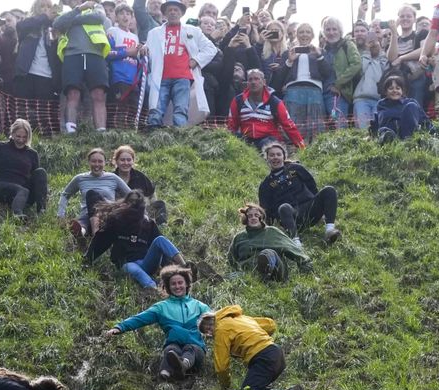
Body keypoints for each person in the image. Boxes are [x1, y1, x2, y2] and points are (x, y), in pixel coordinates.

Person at [104, 265, 210, 380]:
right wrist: (120, 327)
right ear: (168, 287)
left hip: (195, 352)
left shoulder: (199, 306)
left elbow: (215, 320)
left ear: (187, 284)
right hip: (174, 346)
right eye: (173, 284)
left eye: (180, 283)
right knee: (171, 350)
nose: (177, 286)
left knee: (190, 348)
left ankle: (182, 366)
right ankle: (166, 373)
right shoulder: (161, 307)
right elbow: (139, 318)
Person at [197, 306, 305, 390]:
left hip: (263, 358)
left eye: (209, 326)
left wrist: (225, 387)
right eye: (206, 331)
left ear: (213, 319)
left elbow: (221, 367)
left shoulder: (220, 330)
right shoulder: (240, 318)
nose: (210, 330)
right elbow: (270, 324)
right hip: (276, 352)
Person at [84, 190, 186, 288]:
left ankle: (185, 267)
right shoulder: (116, 221)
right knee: (132, 268)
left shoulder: (148, 224)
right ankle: (153, 287)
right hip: (126, 264)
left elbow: (161, 247)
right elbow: (101, 240)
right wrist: (88, 259)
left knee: (160, 239)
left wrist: (167, 266)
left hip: (146, 262)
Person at [144, 0, 218, 128]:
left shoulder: (193, 31)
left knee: (181, 109)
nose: (173, 12)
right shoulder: (154, 33)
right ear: (165, 14)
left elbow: (211, 49)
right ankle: (153, 135)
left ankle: (180, 137)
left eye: (176, 10)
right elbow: (148, 50)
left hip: (183, 77)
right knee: (156, 108)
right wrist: (143, 49)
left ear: (182, 13)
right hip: (160, 78)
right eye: (170, 10)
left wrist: (197, 60)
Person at [258, 142, 342, 245]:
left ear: (284, 156)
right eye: (272, 155)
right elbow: (266, 210)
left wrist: (319, 206)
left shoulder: (295, 169)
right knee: (284, 207)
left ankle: (329, 230)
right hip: (291, 217)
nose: (275, 157)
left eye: (278, 154)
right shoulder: (266, 184)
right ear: (267, 158)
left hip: (309, 210)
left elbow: (312, 186)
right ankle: (296, 242)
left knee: (329, 190)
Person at [53, 0, 113, 133]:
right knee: (72, 94)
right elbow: (57, 23)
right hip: (72, 55)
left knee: (99, 94)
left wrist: (72, 20)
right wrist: (78, 10)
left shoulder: (96, 7)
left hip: (96, 54)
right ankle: (70, 132)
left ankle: (101, 133)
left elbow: (98, 18)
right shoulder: (63, 11)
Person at [58, 148, 133, 240]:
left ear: (105, 163)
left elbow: (131, 195)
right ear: (88, 162)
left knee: (92, 195)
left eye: (100, 161)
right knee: (83, 222)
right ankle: (81, 233)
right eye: (93, 161)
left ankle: (96, 236)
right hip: (87, 215)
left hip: (107, 214)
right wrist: (61, 215)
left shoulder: (113, 178)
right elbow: (65, 194)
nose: (97, 165)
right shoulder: (80, 178)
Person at [274, 23, 331, 144]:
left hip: (314, 90)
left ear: (312, 35)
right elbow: (279, 78)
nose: (304, 34)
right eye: (301, 32)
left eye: (307, 32)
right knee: (293, 125)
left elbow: (328, 73)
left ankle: (313, 154)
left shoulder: (320, 51)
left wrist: (319, 56)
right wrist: (289, 61)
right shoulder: (287, 52)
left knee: (315, 128)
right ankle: (292, 152)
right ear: (296, 35)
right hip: (293, 90)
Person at [0, 119, 48, 218]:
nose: (21, 140)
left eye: (24, 137)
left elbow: (36, 179)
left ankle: (41, 210)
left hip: (23, 192)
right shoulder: (0, 147)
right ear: (12, 134)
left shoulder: (32, 154)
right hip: (2, 187)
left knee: (40, 172)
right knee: (23, 191)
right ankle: (17, 214)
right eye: (18, 136)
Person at [228, 203, 312, 281]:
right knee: (230, 276)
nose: (253, 218)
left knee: (267, 253)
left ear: (261, 217)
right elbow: (231, 260)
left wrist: (305, 264)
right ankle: (218, 279)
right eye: (250, 216)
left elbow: (292, 249)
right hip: (248, 272)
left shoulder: (272, 232)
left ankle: (264, 276)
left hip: (276, 272)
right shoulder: (239, 237)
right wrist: (232, 272)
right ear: (246, 219)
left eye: (256, 215)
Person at [227, 68, 305, 150]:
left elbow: (288, 125)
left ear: (264, 82)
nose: (253, 82)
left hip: (269, 139)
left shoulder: (275, 102)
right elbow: (232, 125)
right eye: (250, 80)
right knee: (236, 139)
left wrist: (302, 147)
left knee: (265, 144)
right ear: (247, 83)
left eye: (256, 79)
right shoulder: (238, 101)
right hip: (247, 139)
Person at [12, 0, 60, 102]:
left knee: (43, 115)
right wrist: (45, 16)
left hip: (46, 77)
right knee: (23, 113)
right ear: (36, 8)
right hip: (26, 75)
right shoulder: (27, 24)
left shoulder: (53, 27)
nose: (46, 9)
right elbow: (20, 26)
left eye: (49, 6)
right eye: (42, 6)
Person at [320, 17, 361, 128]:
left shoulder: (347, 44)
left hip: (339, 93)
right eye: (328, 30)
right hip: (322, 92)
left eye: (334, 29)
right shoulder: (323, 49)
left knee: (340, 125)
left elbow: (356, 64)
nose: (331, 33)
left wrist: (338, 83)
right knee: (326, 128)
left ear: (340, 31)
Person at [386, 3, 429, 105]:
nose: (405, 19)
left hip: (416, 78)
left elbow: (424, 50)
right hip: (398, 81)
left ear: (414, 19)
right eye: (402, 16)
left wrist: (402, 58)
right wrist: (394, 34)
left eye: (409, 16)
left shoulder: (421, 34)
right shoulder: (395, 38)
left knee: (414, 108)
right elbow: (391, 58)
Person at [370, 74, 431, 143]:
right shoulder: (381, 104)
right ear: (386, 91)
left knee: (411, 106)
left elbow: (425, 121)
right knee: (384, 131)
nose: (394, 91)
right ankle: (390, 141)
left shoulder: (410, 102)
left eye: (398, 88)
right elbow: (377, 123)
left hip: (407, 136)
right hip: (389, 135)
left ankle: (407, 142)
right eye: (391, 88)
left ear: (402, 91)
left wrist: (433, 133)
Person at [352, 32, 388, 129]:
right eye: (370, 44)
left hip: (378, 100)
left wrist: (381, 51)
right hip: (361, 99)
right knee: (363, 129)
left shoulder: (381, 61)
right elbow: (361, 70)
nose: (373, 46)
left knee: (377, 128)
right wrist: (367, 51)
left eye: (375, 43)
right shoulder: (361, 58)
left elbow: (386, 71)